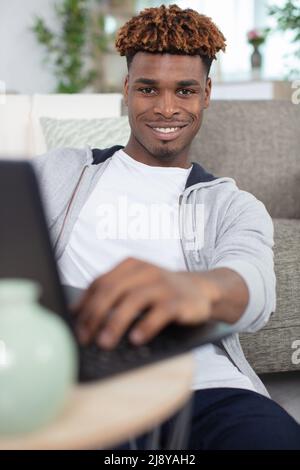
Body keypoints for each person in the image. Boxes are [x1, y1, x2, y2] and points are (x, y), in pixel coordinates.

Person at [33, 4, 300, 449]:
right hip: (79, 386)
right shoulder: (58, 172)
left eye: (184, 91)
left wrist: (198, 290)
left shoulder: (232, 204)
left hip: (205, 390)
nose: (166, 108)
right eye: (148, 89)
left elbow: (254, 288)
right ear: (125, 89)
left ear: (207, 93)